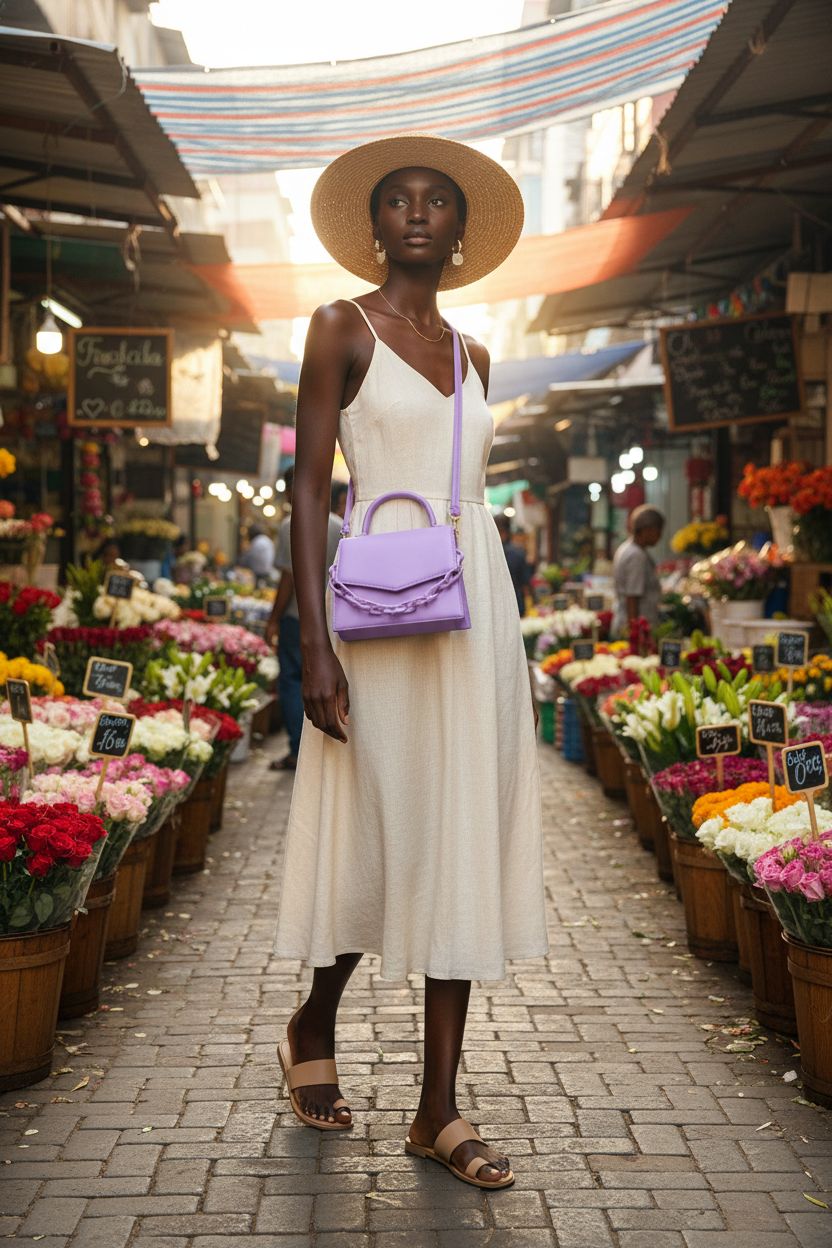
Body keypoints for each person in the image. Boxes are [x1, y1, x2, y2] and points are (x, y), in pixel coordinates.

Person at [272, 135, 548, 1190]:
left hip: (475, 614)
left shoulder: (478, 356)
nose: (419, 212)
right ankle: (314, 1017)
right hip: (375, 615)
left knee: (458, 832)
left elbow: (468, 493)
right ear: (375, 224)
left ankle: (437, 1108)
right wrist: (314, 645)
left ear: (462, 230)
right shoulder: (340, 326)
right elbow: (309, 489)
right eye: (399, 200)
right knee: (377, 829)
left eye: (437, 201)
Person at [266, 468, 343, 771]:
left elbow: (288, 579)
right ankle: (326, 750)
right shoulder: (340, 524)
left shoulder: (291, 524)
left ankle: (298, 750)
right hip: (334, 618)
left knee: (291, 682)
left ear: (291, 490)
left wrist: (273, 619)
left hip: (297, 617)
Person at [612, 504, 665, 637]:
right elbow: (632, 597)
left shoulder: (628, 548)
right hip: (635, 627)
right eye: (658, 531)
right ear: (647, 529)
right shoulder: (636, 555)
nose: (660, 536)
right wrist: (635, 633)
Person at [495, 513, 531, 615]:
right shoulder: (519, 553)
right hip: (516, 602)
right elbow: (525, 583)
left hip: (495, 605)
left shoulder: (487, 554)